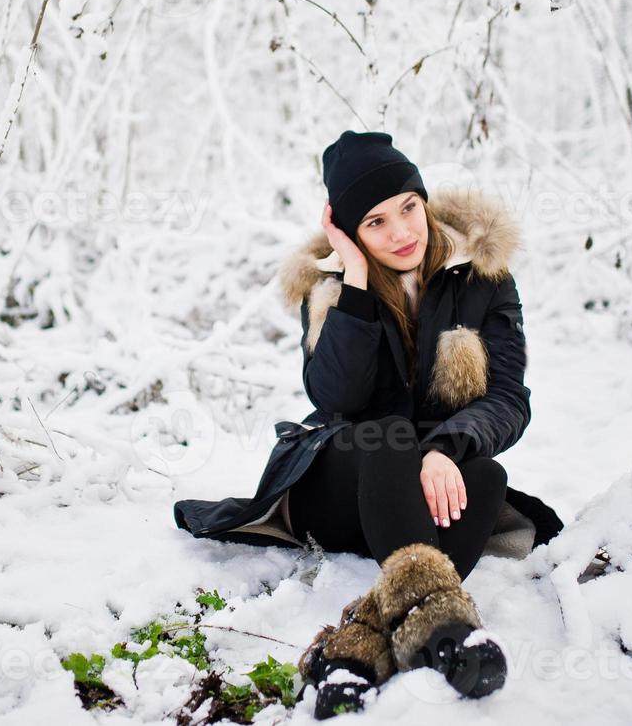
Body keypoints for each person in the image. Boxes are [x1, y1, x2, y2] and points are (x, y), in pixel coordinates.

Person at [173, 130, 564, 715]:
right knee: (389, 435)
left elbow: (508, 398)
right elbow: (337, 398)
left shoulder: (483, 278)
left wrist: (448, 449)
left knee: (484, 478)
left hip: (418, 497)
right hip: (336, 485)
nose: (402, 233)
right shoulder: (330, 287)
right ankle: (449, 629)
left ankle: (357, 651)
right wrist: (355, 280)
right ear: (351, 233)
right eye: (376, 223)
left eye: (409, 209)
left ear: (424, 201)